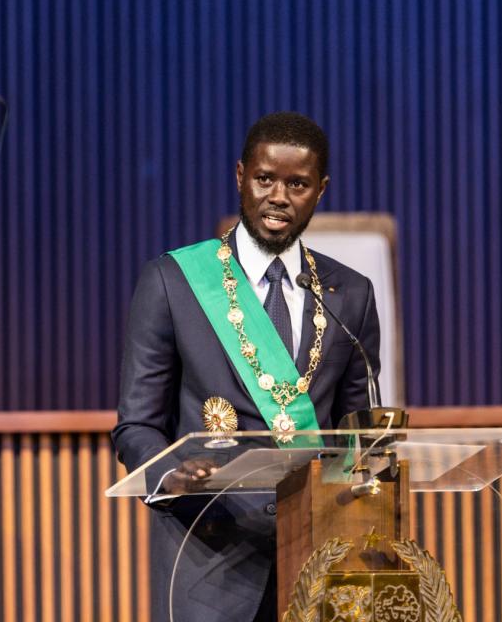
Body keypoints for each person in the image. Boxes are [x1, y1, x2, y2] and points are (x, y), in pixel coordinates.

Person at [111, 111, 381, 622]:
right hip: (205, 558)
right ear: (241, 177)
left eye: (297, 183)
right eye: (264, 179)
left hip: (317, 560)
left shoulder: (352, 296)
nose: (278, 196)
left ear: (319, 191)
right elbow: (136, 425)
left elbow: (354, 434)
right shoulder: (173, 281)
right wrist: (171, 475)